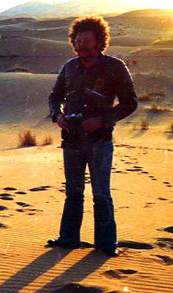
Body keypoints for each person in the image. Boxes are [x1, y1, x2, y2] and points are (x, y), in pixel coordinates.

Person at [47, 16, 137, 257]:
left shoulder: (114, 66)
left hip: (99, 141)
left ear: (99, 41)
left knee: (100, 193)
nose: (81, 44)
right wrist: (58, 117)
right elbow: (54, 97)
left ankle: (106, 245)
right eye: (77, 40)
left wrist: (102, 121)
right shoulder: (69, 67)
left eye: (86, 39)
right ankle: (68, 239)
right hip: (72, 140)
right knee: (73, 192)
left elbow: (130, 103)